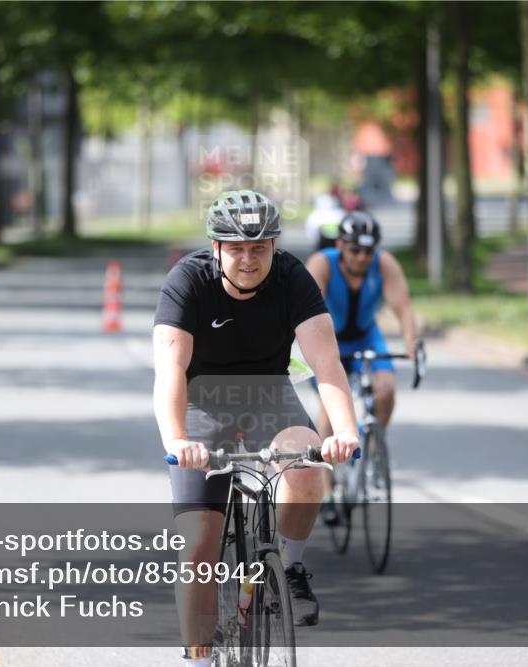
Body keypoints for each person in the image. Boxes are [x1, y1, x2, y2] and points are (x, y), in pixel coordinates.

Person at [153, 189, 360, 666]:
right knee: (198, 540)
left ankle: (289, 565)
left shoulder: (292, 278)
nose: (249, 259)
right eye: (237, 248)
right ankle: (200, 657)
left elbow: (326, 364)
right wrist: (178, 442)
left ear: (275, 246)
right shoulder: (186, 281)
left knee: (307, 463)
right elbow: (169, 373)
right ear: (216, 246)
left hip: (268, 393)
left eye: (260, 248)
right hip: (201, 401)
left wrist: (344, 431)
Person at [304, 210, 420, 524]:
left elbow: (403, 307)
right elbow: (304, 311)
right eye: (355, 249)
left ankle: (373, 452)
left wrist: (411, 343)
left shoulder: (384, 265)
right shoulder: (322, 264)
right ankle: (327, 491)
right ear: (341, 245)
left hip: (367, 337)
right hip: (328, 339)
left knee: (385, 390)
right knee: (330, 408)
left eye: (369, 250)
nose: (362, 256)